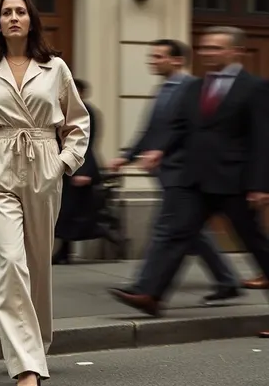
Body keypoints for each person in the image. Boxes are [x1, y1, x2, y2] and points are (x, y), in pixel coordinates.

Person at [0, 0, 90, 386]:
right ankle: (26, 366)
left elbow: (77, 123)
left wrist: (64, 163)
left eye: (20, 12)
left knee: (37, 266)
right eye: (6, 12)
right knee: (10, 264)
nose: (14, 17)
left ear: (31, 20)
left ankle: (39, 345)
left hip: (43, 164)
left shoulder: (56, 68)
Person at [109, 26, 269, 334]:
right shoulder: (195, 88)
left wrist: (261, 184)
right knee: (174, 234)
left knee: (257, 245)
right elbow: (179, 127)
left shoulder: (255, 88)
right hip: (193, 179)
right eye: (205, 47)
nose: (208, 53)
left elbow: (264, 139)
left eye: (216, 48)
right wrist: (158, 150)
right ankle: (150, 294)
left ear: (236, 52)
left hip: (235, 181)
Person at [52, 78, 102, 264]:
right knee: (65, 212)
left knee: (72, 212)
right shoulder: (64, 111)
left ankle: (65, 252)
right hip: (65, 167)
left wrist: (84, 170)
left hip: (79, 167)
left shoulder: (85, 112)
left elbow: (87, 143)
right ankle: (63, 251)